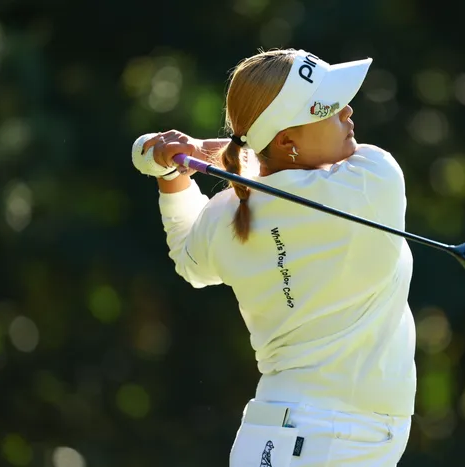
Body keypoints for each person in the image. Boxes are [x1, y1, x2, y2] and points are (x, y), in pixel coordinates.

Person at [131, 48, 416, 467]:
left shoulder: (227, 214)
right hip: (347, 438)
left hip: (266, 431)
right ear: (286, 140)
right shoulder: (374, 180)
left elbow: (189, 259)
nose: (348, 111)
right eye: (329, 108)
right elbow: (254, 160)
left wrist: (172, 173)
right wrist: (196, 154)